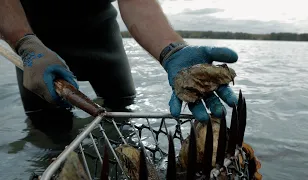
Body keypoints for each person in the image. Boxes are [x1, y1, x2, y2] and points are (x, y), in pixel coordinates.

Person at [0, 0, 239, 124]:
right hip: (34, 38)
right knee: (47, 125)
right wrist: (24, 43)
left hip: (101, 33)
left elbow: (137, 3)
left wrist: (172, 50)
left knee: (122, 109)